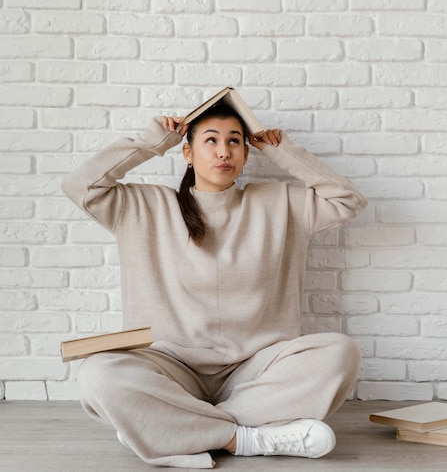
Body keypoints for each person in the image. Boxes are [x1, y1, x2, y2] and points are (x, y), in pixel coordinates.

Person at [62, 100, 367, 468]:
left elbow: (347, 200)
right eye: (211, 140)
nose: (224, 151)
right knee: (98, 375)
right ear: (187, 152)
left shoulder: (279, 202)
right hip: (169, 364)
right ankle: (244, 438)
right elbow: (80, 186)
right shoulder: (142, 205)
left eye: (235, 141)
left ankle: (171, 428)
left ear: (246, 152)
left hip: (256, 366)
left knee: (340, 353)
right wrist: (152, 141)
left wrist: (281, 150)